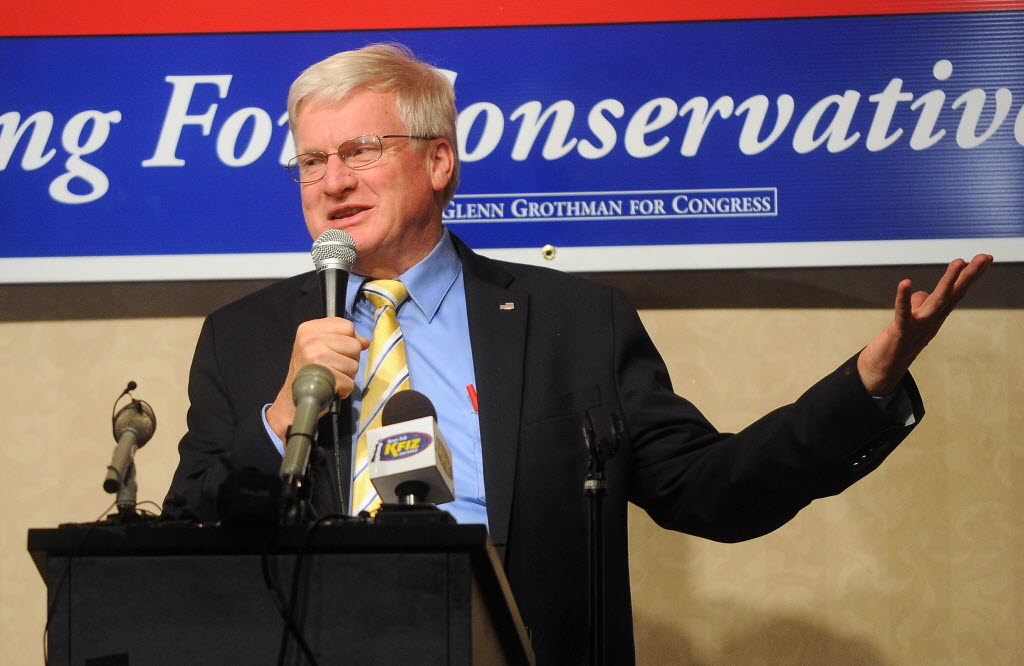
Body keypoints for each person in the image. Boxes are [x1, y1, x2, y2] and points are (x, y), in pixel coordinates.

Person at [163, 43, 992, 664]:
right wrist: (280, 419)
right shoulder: (245, 337)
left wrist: (869, 384)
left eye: (361, 152)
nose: (332, 181)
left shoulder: (575, 323)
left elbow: (714, 491)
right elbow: (191, 527)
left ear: (438, 160)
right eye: (312, 160)